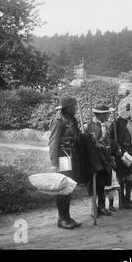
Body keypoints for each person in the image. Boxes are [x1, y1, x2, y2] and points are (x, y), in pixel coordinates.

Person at [49, 94, 82, 229]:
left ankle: (67, 217)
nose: (76, 108)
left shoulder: (71, 119)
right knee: (62, 188)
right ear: (68, 107)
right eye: (74, 105)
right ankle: (62, 219)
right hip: (63, 157)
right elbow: (53, 142)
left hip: (71, 156)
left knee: (68, 188)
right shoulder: (59, 120)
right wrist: (54, 163)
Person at [84, 102, 118, 217]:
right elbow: (88, 144)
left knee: (102, 183)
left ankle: (102, 207)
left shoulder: (106, 125)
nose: (108, 115)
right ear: (98, 115)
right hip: (95, 159)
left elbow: (108, 140)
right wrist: (97, 145)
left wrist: (111, 152)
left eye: (107, 113)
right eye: (105, 113)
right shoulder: (90, 126)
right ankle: (93, 209)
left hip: (105, 159)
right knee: (93, 183)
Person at [110, 103, 132, 209]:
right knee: (122, 176)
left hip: (131, 151)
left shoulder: (130, 122)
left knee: (130, 175)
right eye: (127, 110)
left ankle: (128, 198)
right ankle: (122, 200)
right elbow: (111, 139)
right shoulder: (116, 123)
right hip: (121, 153)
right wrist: (117, 148)